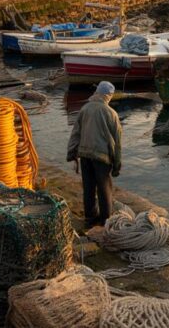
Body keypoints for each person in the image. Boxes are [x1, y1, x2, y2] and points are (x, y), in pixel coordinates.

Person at [67, 81, 122, 229]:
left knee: (89, 188)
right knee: (104, 189)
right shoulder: (112, 114)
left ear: (97, 92)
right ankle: (105, 220)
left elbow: (76, 133)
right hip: (102, 157)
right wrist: (117, 165)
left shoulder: (85, 108)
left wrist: (71, 152)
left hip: (84, 154)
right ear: (108, 96)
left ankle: (90, 219)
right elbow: (117, 143)